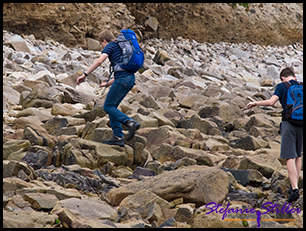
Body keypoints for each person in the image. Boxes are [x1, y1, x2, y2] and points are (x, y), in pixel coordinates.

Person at [246, 67, 303, 202]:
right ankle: (294, 185)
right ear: (294, 77)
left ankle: (294, 189)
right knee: (298, 155)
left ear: (282, 78)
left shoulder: (282, 86)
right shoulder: (301, 85)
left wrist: (256, 103)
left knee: (289, 156)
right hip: (302, 123)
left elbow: (271, 102)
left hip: (289, 123)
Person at [77, 30, 140, 147]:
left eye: (101, 44)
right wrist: (108, 84)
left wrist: (85, 74)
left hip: (122, 80)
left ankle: (129, 122)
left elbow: (100, 60)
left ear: (104, 41)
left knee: (108, 106)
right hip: (130, 80)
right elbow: (123, 70)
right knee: (112, 107)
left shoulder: (110, 46)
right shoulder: (122, 47)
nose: (101, 46)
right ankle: (118, 137)